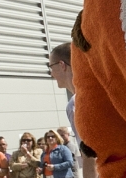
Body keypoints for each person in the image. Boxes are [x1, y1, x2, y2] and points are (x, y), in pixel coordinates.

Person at [47, 45, 89, 178]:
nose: (51, 74)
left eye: (51, 67)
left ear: (62, 65)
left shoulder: (75, 103)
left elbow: (90, 155)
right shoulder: (98, 92)